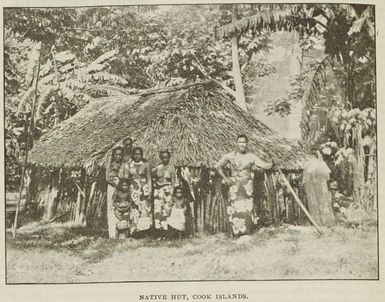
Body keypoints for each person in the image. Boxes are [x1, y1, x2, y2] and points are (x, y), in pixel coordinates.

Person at [215, 134, 272, 237]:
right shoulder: (230, 156)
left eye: (244, 142)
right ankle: (235, 233)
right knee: (235, 208)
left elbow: (263, 165)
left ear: (247, 143)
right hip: (234, 185)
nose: (242, 144)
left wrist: (271, 164)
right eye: (240, 142)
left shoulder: (252, 156)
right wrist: (225, 178)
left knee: (247, 208)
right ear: (236, 143)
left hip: (247, 186)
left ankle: (247, 233)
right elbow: (218, 166)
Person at [303, 148, 336, 227]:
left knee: (314, 202)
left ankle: (316, 221)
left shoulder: (307, 165)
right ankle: (326, 221)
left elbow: (305, 179)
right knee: (323, 202)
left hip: (312, 187)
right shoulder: (322, 164)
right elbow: (327, 177)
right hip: (321, 186)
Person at [128, 147, 153, 234]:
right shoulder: (130, 164)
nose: (137, 155)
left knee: (144, 208)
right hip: (133, 189)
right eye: (135, 154)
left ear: (142, 155)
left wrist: (149, 191)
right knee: (134, 209)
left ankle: (144, 231)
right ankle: (134, 230)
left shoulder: (146, 164)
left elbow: (149, 178)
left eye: (139, 154)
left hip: (143, 188)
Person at [152, 149, 176, 236]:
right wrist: (155, 183)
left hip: (168, 192)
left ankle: (166, 233)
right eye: (163, 157)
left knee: (167, 211)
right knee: (158, 212)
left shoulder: (171, 168)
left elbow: (173, 182)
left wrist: (171, 194)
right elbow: (149, 174)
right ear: (160, 158)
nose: (165, 159)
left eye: (167, 157)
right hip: (158, 192)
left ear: (169, 158)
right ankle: (159, 232)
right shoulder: (158, 168)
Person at [105, 146, 125, 239]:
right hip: (112, 187)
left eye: (120, 154)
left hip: (121, 187)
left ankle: (121, 232)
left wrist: (121, 185)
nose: (118, 156)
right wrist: (115, 185)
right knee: (111, 208)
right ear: (114, 155)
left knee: (121, 207)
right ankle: (112, 234)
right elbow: (107, 179)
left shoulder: (124, 165)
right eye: (116, 154)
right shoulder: (110, 165)